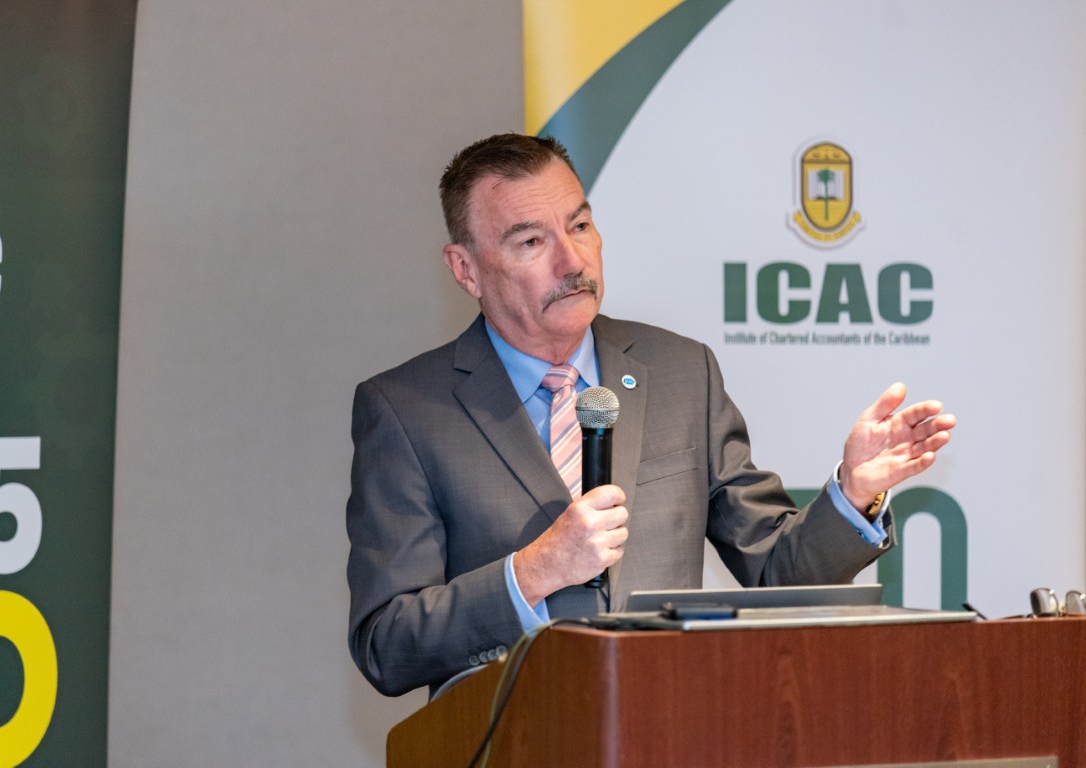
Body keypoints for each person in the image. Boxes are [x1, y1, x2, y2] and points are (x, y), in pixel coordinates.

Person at [345, 133, 955, 697]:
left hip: (672, 728)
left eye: (579, 225)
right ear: (467, 269)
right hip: (516, 739)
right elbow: (387, 645)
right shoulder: (407, 411)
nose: (571, 260)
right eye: (531, 242)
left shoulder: (681, 372)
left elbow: (775, 570)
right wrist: (533, 572)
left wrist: (853, 495)